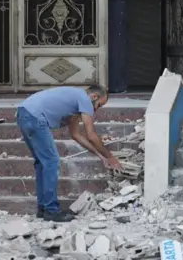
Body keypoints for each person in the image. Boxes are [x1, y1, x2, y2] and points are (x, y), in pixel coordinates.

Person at [16, 85, 123, 222]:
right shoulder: (84, 99)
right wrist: (111, 157)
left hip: (23, 113)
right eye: (99, 105)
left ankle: (43, 208)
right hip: (35, 116)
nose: (96, 109)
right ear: (94, 97)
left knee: (42, 163)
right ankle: (51, 210)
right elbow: (91, 135)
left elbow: (76, 135)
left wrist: (100, 156)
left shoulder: (75, 101)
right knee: (52, 161)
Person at [108, 0, 130, 93]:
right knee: (112, 53)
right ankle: (111, 85)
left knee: (121, 54)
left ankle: (120, 85)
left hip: (122, 23)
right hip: (110, 23)